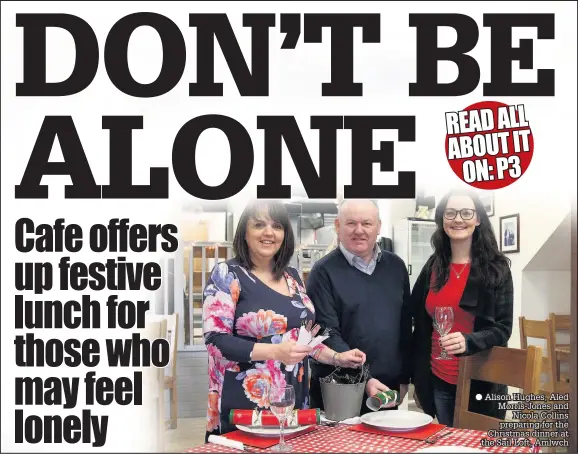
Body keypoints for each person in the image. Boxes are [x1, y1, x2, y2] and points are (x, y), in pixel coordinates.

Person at [202, 200, 366, 440]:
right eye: (259, 224)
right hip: (244, 401)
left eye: (277, 226)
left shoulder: (292, 276)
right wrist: (276, 352)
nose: (269, 232)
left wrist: (337, 357)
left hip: (292, 397)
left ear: (284, 235)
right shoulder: (228, 274)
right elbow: (216, 341)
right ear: (245, 233)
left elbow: (300, 338)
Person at [410, 188, 513, 426]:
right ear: (442, 220)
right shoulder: (433, 266)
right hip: (438, 379)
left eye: (467, 213)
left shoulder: (496, 269)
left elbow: (503, 328)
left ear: (478, 219)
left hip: (482, 379)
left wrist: (470, 340)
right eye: (451, 213)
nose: (458, 219)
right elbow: (415, 315)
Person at [307, 199, 412, 415]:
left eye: (367, 223)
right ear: (337, 226)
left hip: (386, 389)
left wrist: (404, 377)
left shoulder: (396, 267)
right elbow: (327, 333)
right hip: (340, 389)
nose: (359, 230)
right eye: (351, 223)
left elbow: (404, 327)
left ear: (379, 227)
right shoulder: (322, 272)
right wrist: (366, 378)